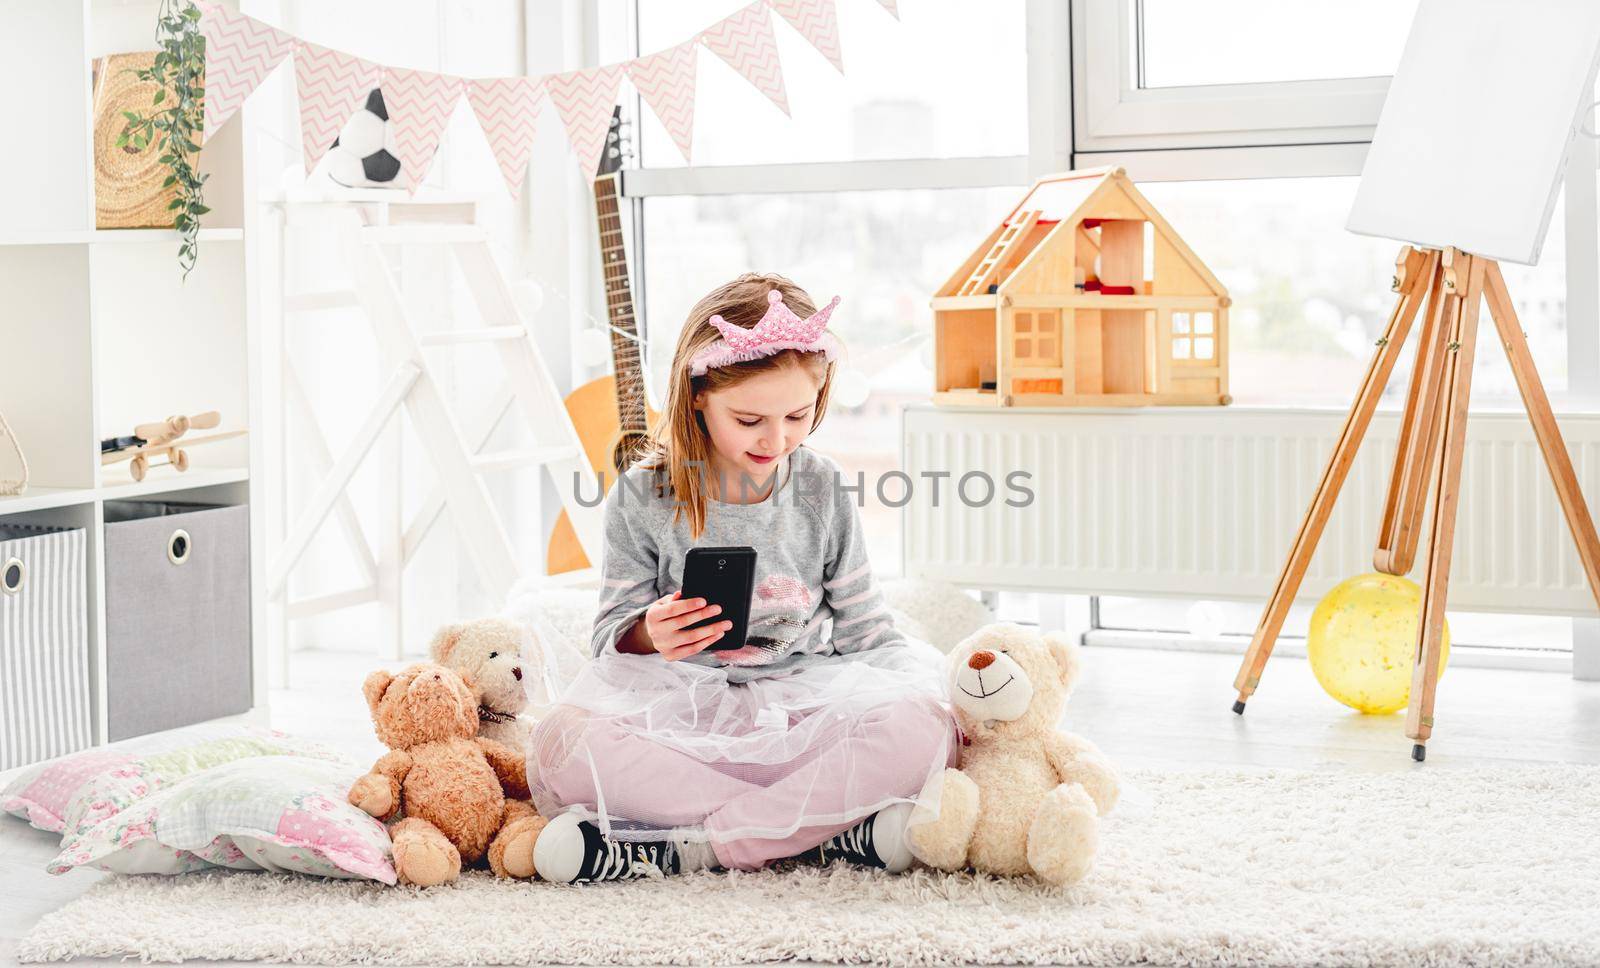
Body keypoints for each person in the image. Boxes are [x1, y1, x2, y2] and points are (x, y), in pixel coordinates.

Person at [528, 272, 959, 883]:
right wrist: (648, 633)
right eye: (750, 418)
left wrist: (930, 702)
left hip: (804, 709)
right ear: (697, 395)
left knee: (927, 728)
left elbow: (868, 632)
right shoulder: (642, 495)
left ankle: (695, 844)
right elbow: (607, 643)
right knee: (562, 741)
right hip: (684, 717)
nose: (776, 438)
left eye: (797, 415)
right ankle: (815, 833)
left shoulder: (821, 488)